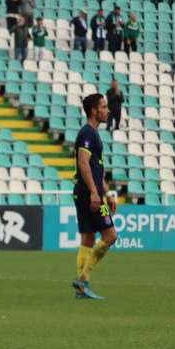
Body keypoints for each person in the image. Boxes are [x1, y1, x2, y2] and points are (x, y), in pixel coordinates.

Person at [73, 94, 117, 300]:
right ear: (93, 110)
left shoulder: (92, 134)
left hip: (86, 192)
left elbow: (95, 168)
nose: (107, 110)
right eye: (104, 106)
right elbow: (83, 163)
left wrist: (107, 193)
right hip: (88, 193)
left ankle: (82, 288)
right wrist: (94, 192)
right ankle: (84, 278)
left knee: (88, 237)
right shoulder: (87, 134)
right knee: (110, 236)